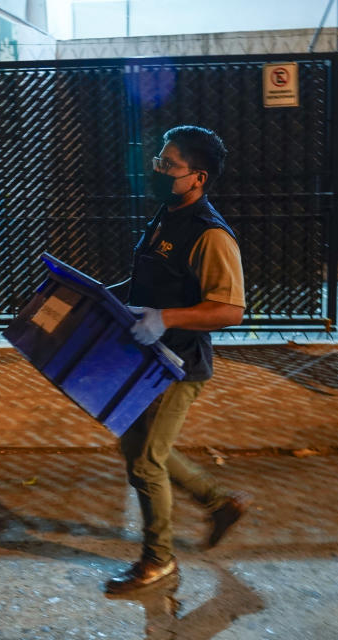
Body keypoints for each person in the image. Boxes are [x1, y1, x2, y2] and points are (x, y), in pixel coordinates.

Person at [105, 126, 252, 594]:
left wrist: (166, 318)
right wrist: (103, 299)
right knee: (136, 451)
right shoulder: (165, 216)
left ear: (198, 177)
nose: (158, 171)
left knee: (147, 460)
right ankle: (218, 503)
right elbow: (147, 283)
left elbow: (229, 309)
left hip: (178, 364)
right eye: (159, 162)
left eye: (169, 166)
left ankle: (158, 560)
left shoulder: (211, 235)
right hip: (144, 358)